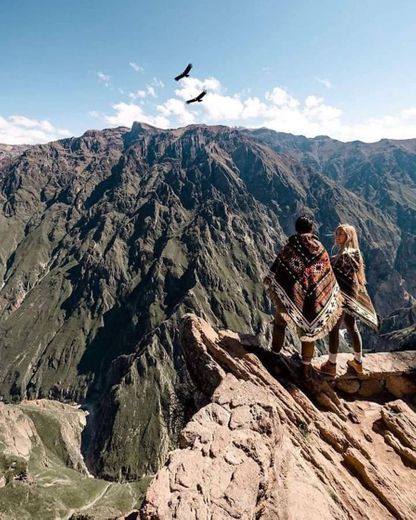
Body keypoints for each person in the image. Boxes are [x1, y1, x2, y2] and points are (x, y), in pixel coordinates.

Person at [264, 215, 343, 377]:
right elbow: (326, 274)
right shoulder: (320, 248)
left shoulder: (291, 246)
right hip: (313, 298)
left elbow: (279, 269)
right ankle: (306, 367)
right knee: (309, 332)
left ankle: (274, 356)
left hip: (290, 296)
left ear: (297, 229)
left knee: (279, 324)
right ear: (311, 229)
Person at [318, 224, 379, 377]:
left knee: (334, 328)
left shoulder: (346, 255)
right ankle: (358, 363)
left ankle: (331, 364)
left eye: (341, 234)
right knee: (352, 327)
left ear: (349, 237)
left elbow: (333, 268)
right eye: (336, 233)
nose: (337, 236)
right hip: (351, 299)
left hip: (342, 299)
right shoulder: (354, 253)